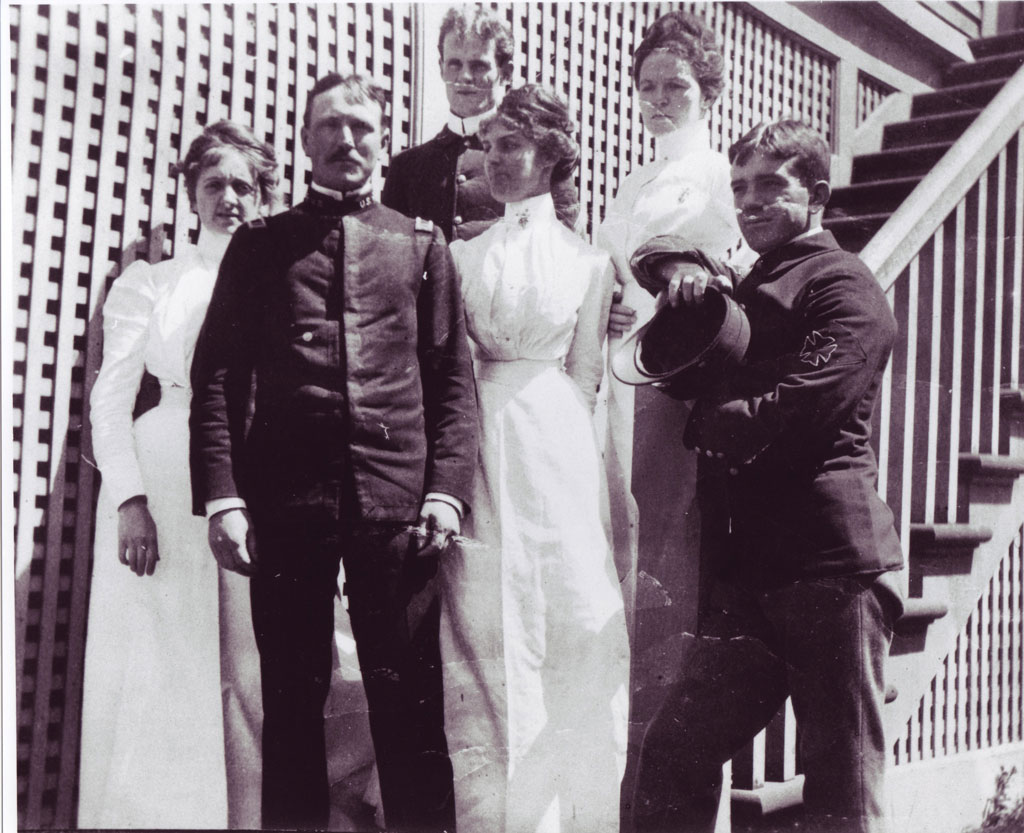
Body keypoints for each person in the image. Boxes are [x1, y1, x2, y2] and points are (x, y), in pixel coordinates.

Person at [188, 73, 477, 833]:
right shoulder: (260, 247)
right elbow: (216, 376)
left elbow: (452, 382)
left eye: (361, 127)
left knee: (408, 706)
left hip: (398, 508)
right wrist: (224, 496)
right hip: (287, 507)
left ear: (381, 139)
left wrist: (445, 491)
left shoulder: (419, 245)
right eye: (330, 127)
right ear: (306, 139)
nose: (347, 140)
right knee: (290, 701)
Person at [630, 120, 904, 833]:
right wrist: (680, 274)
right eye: (740, 187)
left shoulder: (845, 284)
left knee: (841, 790)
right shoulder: (747, 279)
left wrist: (710, 412)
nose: (750, 202)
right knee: (674, 753)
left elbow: (810, 400)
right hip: (751, 578)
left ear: (815, 195)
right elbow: (649, 254)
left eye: (771, 186)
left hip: (831, 569)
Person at [440, 84, 629, 833]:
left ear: (552, 159)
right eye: (488, 145)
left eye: (511, 145)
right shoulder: (457, 254)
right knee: (483, 621)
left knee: (569, 617)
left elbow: (584, 377)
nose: (494, 159)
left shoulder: (589, 262)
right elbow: (450, 365)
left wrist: (572, 468)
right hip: (477, 435)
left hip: (556, 444)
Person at [79, 121, 278, 829]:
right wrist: (129, 498)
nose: (230, 198)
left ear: (263, 197)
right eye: (215, 183)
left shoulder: (277, 280)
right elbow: (110, 395)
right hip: (164, 475)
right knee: (163, 664)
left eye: (244, 186)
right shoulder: (153, 281)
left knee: (249, 672)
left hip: (253, 480)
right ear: (191, 192)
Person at [596, 10, 750, 643]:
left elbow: (743, 263)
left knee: (665, 534)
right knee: (617, 528)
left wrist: (702, 279)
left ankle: (657, 708)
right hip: (617, 377)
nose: (659, 101)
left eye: (677, 87)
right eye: (648, 87)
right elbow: (610, 268)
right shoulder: (631, 181)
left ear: (708, 93)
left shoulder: (720, 171)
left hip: (676, 376)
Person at [382, 5, 579, 240]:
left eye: (478, 65)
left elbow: (564, 242)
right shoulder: (406, 168)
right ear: (441, 69)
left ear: (506, 73)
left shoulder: (536, 156)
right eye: (454, 64)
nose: (464, 77)